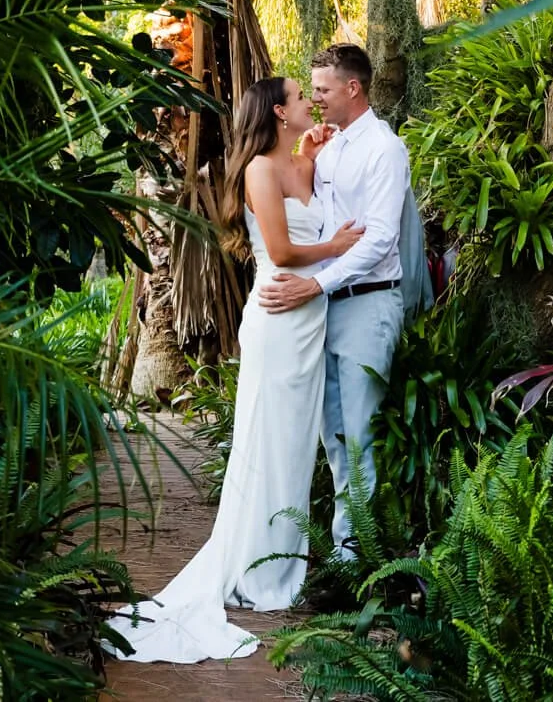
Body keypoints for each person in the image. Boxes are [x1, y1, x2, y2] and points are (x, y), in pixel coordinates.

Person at [106, 76, 362, 663]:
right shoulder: (258, 173)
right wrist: (337, 247)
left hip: (310, 321)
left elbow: (314, 199)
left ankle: (282, 558)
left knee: (294, 446)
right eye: (299, 97)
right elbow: (284, 250)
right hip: (278, 321)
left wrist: (313, 154)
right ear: (279, 112)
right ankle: (256, 566)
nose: (309, 103)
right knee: (267, 441)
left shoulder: (299, 164)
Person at [257, 43, 409, 560]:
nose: (316, 98)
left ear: (353, 88)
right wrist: (308, 151)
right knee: (334, 433)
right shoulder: (331, 145)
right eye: (312, 90)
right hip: (323, 308)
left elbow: (381, 237)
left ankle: (355, 553)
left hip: (367, 303)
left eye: (322, 89)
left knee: (360, 431)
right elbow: (319, 217)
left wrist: (317, 284)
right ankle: (348, 544)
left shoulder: (384, 149)